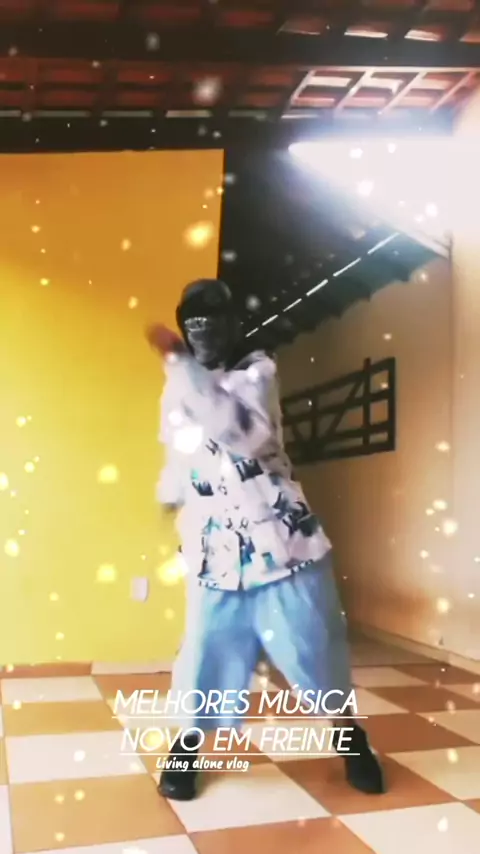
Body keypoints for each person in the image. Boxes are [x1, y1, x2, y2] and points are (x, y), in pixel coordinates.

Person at [146, 278, 385, 801]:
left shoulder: (258, 372)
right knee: (205, 653)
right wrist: (171, 494)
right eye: (192, 322)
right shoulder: (178, 384)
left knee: (312, 647)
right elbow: (179, 450)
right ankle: (187, 747)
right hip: (214, 550)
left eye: (212, 320)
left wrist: (181, 366)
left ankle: (350, 740)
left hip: (283, 543)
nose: (202, 331)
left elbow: (241, 434)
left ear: (233, 325)